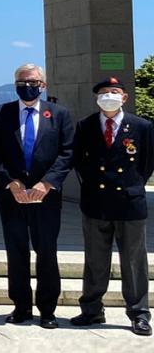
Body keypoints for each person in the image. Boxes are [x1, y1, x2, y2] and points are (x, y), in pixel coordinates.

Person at [0, 63, 74, 329]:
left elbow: (67, 153)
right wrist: (11, 183)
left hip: (46, 197)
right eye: (22, 82)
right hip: (12, 196)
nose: (28, 86)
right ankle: (21, 307)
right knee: (16, 252)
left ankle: (47, 310)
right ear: (15, 85)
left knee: (46, 252)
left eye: (33, 82)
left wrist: (47, 184)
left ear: (42, 85)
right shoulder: (1, 113)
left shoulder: (59, 114)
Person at [70, 76, 154, 336]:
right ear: (97, 98)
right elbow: (79, 161)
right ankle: (92, 309)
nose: (109, 96)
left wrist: (132, 185)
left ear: (124, 97)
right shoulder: (85, 126)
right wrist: (91, 186)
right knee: (95, 260)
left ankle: (139, 313)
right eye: (104, 92)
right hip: (96, 201)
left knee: (133, 261)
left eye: (114, 91)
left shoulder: (141, 126)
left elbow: (147, 162)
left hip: (129, 202)